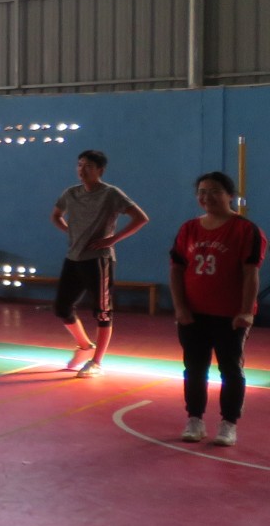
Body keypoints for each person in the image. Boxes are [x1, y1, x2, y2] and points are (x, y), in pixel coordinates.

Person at [169, 172, 263, 445]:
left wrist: (246, 311)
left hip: (230, 315)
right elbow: (176, 269)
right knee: (194, 368)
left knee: (230, 369)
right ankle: (194, 419)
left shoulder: (246, 230)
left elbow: (250, 273)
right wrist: (180, 307)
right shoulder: (188, 229)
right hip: (193, 313)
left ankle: (228, 423)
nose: (206, 197)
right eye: (202, 191)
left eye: (214, 191)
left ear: (229, 195)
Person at [51, 150, 149, 376]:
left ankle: (96, 362)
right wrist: (71, 232)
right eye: (79, 165)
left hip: (98, 260)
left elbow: (140, 218)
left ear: (100, 170)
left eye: (88, 166)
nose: (82, 170)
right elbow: (55, 216)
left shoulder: (111, 194)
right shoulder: (71, 193)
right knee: (62, 307)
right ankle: (85, 346)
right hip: (73, 257)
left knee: (103, 312)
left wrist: (112, 239)